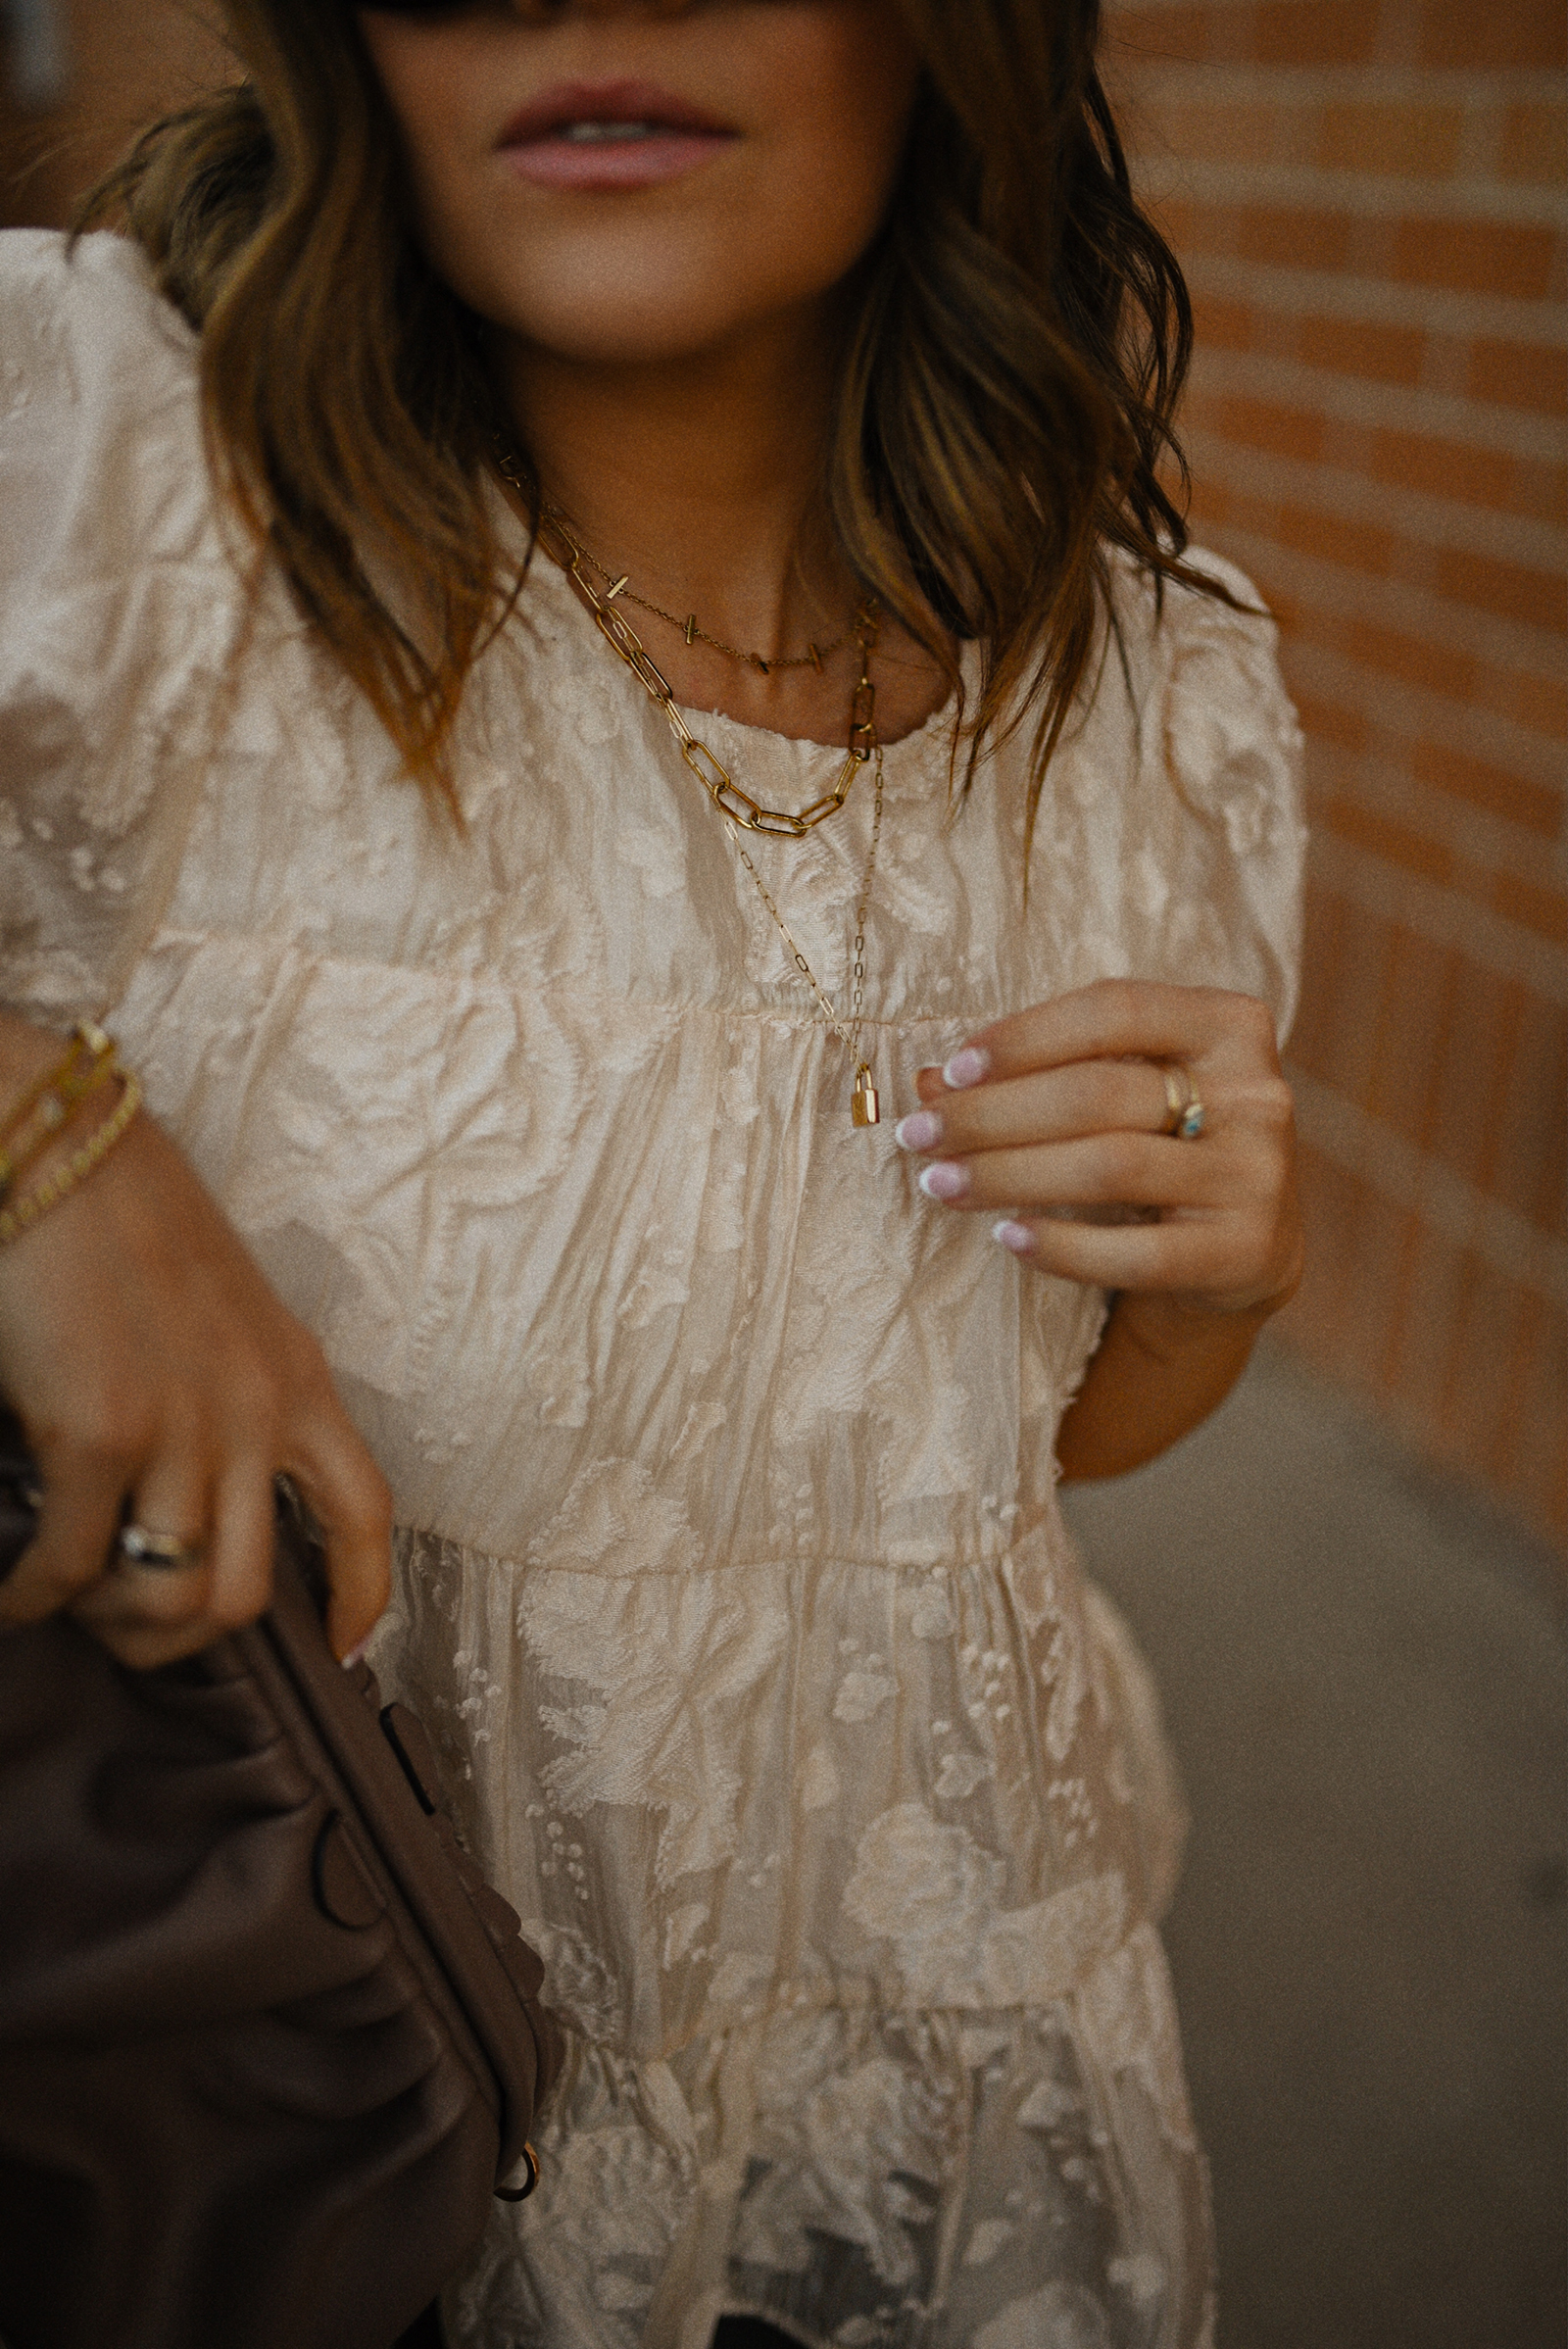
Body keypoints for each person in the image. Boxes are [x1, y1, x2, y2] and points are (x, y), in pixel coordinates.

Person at [0, 1, 1305, 2342]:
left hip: (879, 2067)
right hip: (224, 2077)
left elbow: (994, 1471)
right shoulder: (102, 482)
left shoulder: (1142, 706)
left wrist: (1198, 1291)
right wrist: (36, 1136)